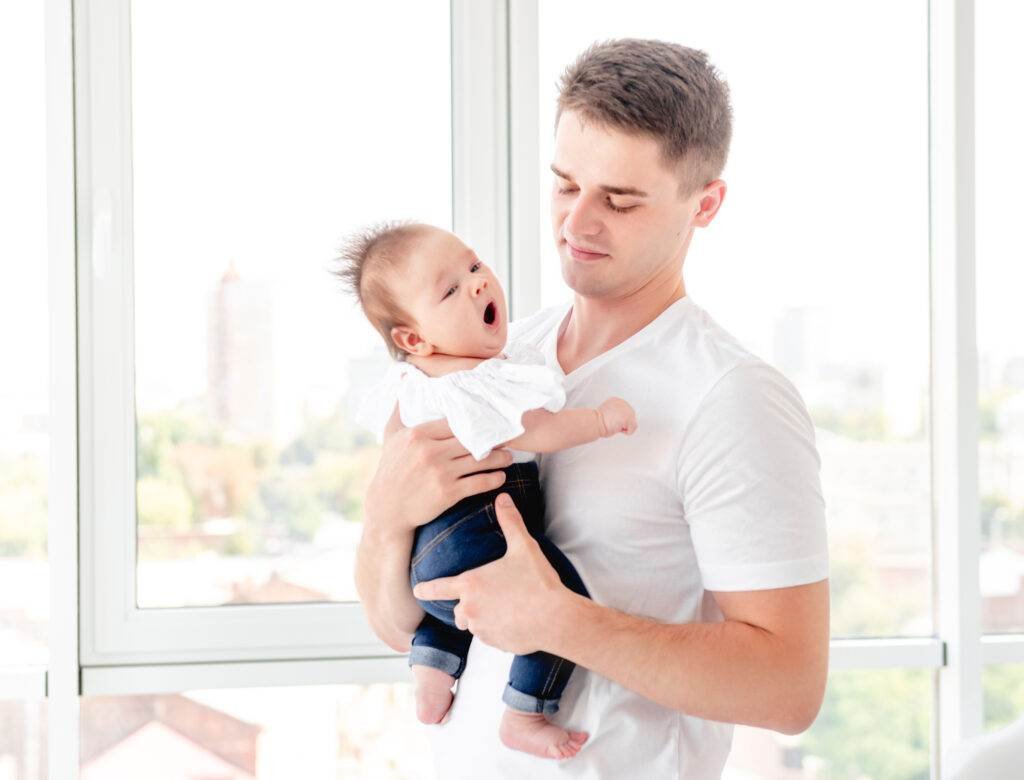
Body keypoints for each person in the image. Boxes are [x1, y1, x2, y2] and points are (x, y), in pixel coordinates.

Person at [355, 38, 830, 778]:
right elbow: (400, 626)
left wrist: (561, 620)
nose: (577, 224)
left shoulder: (732, 398)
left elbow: (788, 689)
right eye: (565, 185)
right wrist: (385, 520)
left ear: (704, 204)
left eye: (619, 199)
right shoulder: (494, 365)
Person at [338, 222, 636, 758]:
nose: (477, 282)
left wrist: (389, 518)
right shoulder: (475, 380)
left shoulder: (412, 385)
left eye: (474, 265)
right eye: (450, 290)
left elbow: (393, 459)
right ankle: (525, 710)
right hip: (476, 530)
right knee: (559, 597)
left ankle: (433, 667)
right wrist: (599, 420)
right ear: (413, 339)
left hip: (426, 552)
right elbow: (536, 429)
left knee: (454, 608)